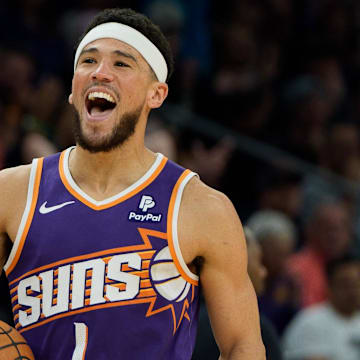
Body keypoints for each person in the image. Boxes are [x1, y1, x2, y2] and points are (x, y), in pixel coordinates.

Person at [0, 7, 265, 360]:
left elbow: (241, 346)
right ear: (72, 88)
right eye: (88, 61)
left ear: (156, 94)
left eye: (121, 64)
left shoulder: (201, 207)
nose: (100, 73)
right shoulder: (12, 192)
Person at [193, 226, 282, 360]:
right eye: (259, 261)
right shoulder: (255, 329)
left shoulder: (179, 317)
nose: (264, 272)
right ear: (238, 264)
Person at [283, 255, 360, 360]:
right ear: (329, 287)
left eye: (356, 284)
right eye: (345, 284)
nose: (353, 291)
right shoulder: (310, 323)